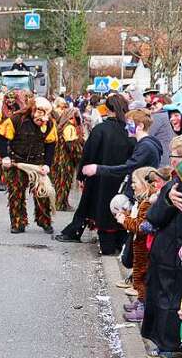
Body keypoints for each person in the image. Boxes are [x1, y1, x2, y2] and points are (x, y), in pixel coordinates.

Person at [55, 93, 134, 254]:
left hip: (99, 176)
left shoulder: (100, 129)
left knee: (89, 206)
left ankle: (76, 231)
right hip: (122, 178)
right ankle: (118, 241)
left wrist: (82, 175)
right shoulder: (129, 131)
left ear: (107, 109)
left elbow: (88, 153)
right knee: (119, 209)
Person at [141, 136, 182, 358]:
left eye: (174, 155)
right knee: (179, 297)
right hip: (180, 248)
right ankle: (176, 343)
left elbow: (157, 215)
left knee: (168, 297)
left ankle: (167, 347)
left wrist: (164, 197)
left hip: (174, 248)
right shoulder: (181, 181)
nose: (171, 160)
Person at [0, 96, 56, 234]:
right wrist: (4, 156)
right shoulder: (16, 120)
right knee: (16, 193)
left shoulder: (50, 124)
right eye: (40, 118)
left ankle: (44, 221)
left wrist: (47, 164)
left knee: (43, 194)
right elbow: (2, 137)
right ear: (34, 110)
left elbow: (50, 145)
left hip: (38, 163)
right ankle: (17, 223)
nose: (42, 121)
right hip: (18, 161)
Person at [118, 166, 166, 323]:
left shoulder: (147, 204)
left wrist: (124, 220)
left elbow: (141, 226)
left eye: (134, 182)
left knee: (143, 277)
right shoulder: (142, 201)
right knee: (139, 276)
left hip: (145, 249)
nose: (132, 185)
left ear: (146, 183)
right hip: (140, 248)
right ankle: (140, 301)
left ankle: (144, 308)